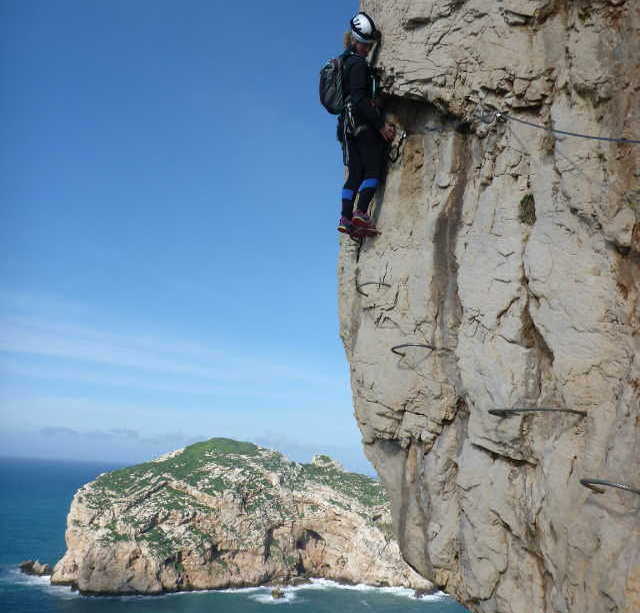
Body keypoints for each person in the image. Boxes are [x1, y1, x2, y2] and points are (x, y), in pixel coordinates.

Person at [337, 12, 396, 235]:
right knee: (373, 169)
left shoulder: (344, 62)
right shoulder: (359, 65)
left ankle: (345, 218)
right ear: (355, 40)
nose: (366, 49)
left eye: (368, 45)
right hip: (362, 124)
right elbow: (360, 99)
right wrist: (380, 125)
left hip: (346, 128)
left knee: (354, 174)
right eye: (364, 44)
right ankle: (361, 212)